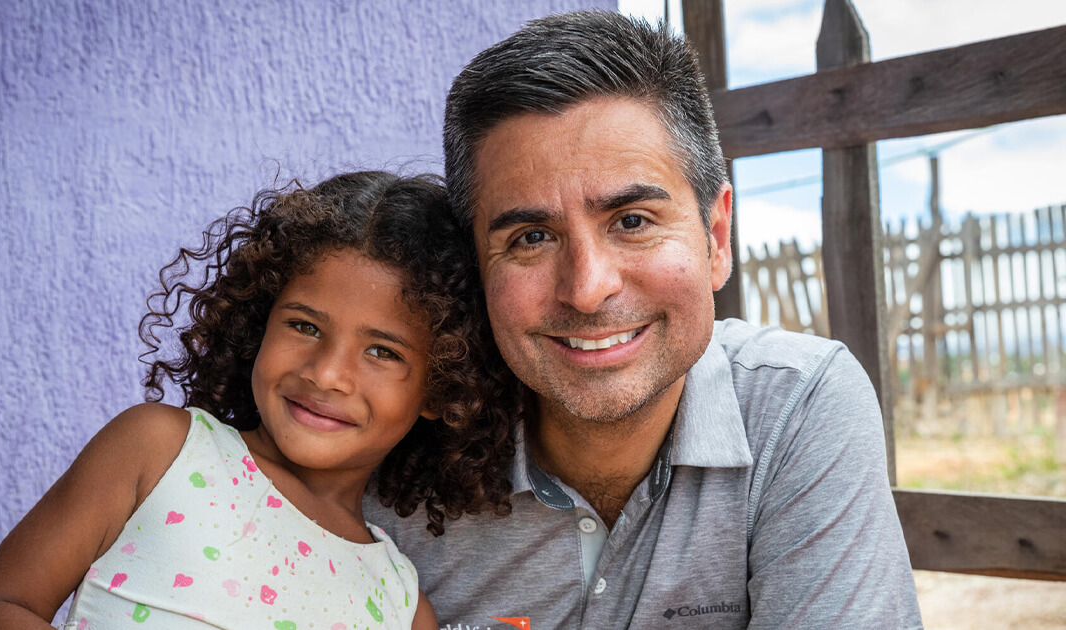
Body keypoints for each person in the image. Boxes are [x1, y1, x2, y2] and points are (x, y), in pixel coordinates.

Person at [365, 12, 923, 629]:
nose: (587, 289)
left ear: (716, 237)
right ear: (475, 267)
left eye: (632, 221)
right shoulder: (393, 439)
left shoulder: (794, 406)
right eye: (531, 237)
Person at [0, 171, 523, 629]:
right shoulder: (160, 450)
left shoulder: (399, 605)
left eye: (382, 352)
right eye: (304, 326)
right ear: (258, 322)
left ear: (443, 387)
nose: (327, 374)